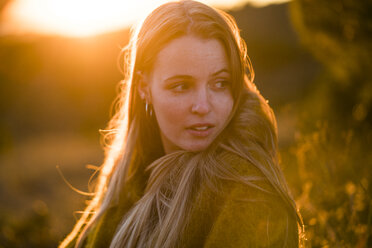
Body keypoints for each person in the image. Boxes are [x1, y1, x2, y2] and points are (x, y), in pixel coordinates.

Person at [60, 0, 304, 247]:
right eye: (181, 86)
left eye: (220, 83)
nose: (203, 106)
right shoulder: (125, 179)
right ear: (144, 87)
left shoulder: (245, 188)